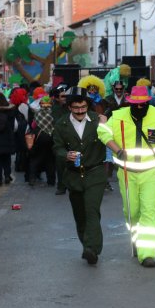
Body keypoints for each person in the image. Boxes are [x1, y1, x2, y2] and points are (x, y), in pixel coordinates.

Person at [98, 86, 155, 268]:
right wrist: (117, 150)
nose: (139, 107)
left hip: (152, 172)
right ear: (129, 101)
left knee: (149, 211)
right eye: (136, 104)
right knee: (132, 212)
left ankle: (148, 253)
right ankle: (136, 238)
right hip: (127, 173)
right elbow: (102, 132)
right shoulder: (118, 116)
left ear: (148, 101)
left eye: (143, 104)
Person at [52, 87, 107, 265]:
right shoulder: (61, 124)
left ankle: (92, 248)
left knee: (92, 210)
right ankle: (86, 245)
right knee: (80, 214)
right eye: (76, 108)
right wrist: (64, 154)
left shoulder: (98, 121)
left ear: (88, 105)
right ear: (69, 107)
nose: (80, 111)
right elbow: (57, 147)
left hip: (96, 173)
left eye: (83, 107)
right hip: (74, 176)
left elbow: (112, 136)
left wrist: (107, 124)